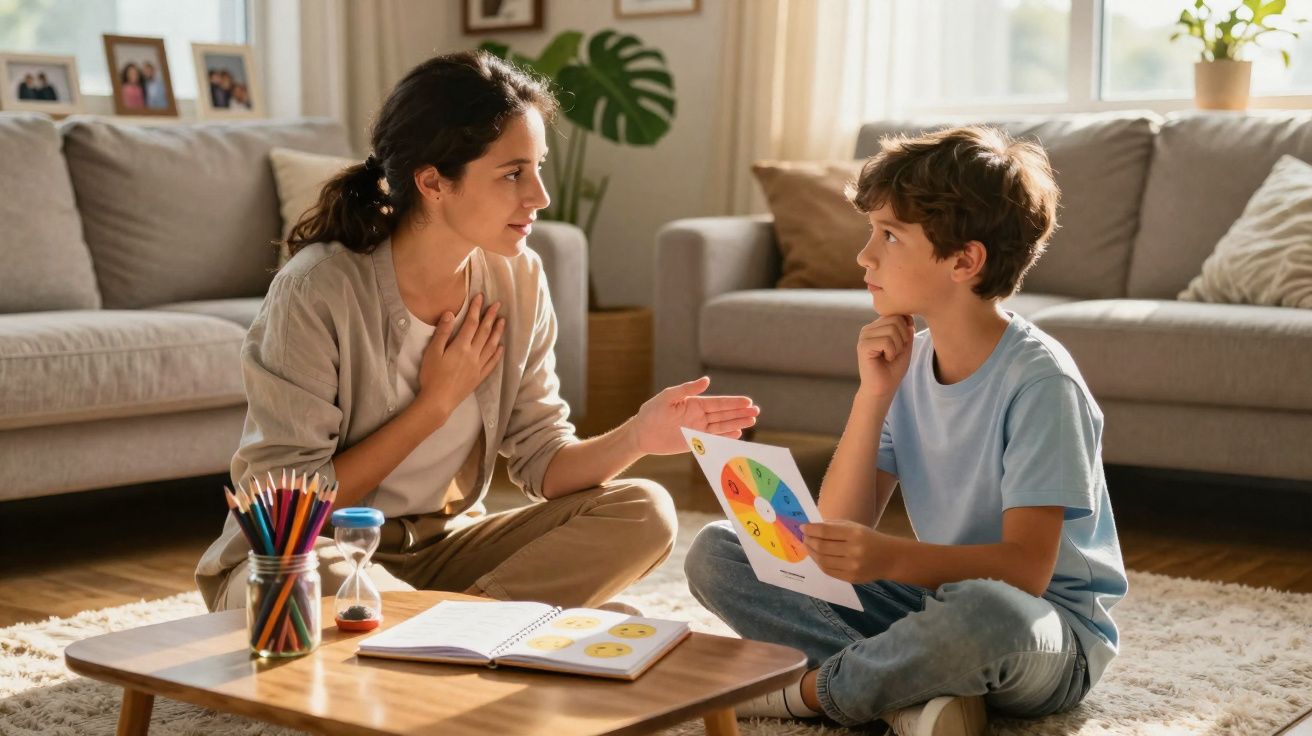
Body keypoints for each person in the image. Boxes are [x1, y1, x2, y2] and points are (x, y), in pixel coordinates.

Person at [195, 51, 761, 614]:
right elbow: (284, 509)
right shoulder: (318, 289)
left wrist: (639, 435)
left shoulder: (518, 277)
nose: (539, 196)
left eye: (538, 167)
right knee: (296, 585)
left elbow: (544, 461)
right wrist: (433, 405)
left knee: (645, 509)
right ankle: (491, 634)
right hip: (310, 551)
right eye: (514, 173)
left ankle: (445, 637)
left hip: (443, 552)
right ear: (433, 183)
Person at [684, 126, 1127, 736]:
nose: (865, 256)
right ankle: (908, 695)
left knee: (985, 612)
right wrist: (874, 395)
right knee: (720, 551)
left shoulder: (1042, 384)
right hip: (935, 606)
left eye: (888, 236)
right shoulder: (909, 362)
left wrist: (892, 557)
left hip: (1043, 633)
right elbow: (836, 533)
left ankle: (808, 693)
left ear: (964, 260)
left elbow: (1025, 573)